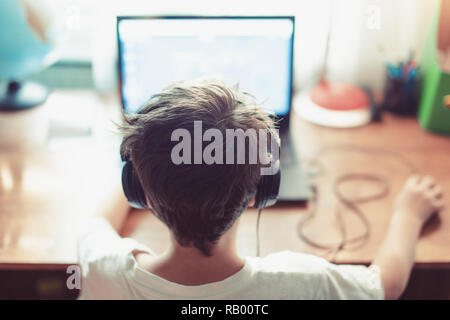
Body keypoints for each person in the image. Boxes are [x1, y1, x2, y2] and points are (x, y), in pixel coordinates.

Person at [77, 79, 444, 299]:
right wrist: (409, 215)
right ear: (262, 189)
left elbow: (95, 222)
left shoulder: (103, 268)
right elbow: (386, 285)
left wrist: (146, 169)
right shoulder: (301, 283)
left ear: (138, 192)